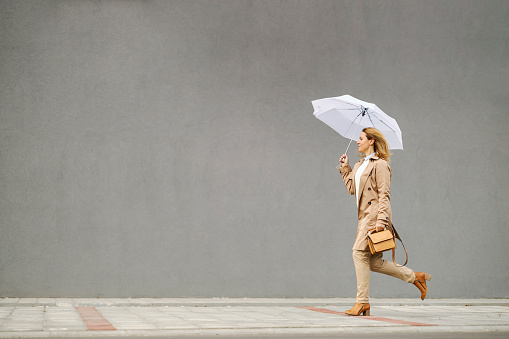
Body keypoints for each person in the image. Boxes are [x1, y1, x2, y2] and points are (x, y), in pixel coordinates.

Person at [338, 127, 430, 317]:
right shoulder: (358, 165)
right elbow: (351, 190)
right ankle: (416, 277)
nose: (357, 141)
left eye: (361, 138)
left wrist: (381, 220)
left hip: (374, 217)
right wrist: (345, 168)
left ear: (371, 141)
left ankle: (362, 302)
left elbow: (384, 194)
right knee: (374, 263)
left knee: (358, 254)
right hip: (364, 217)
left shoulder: (380, 164)